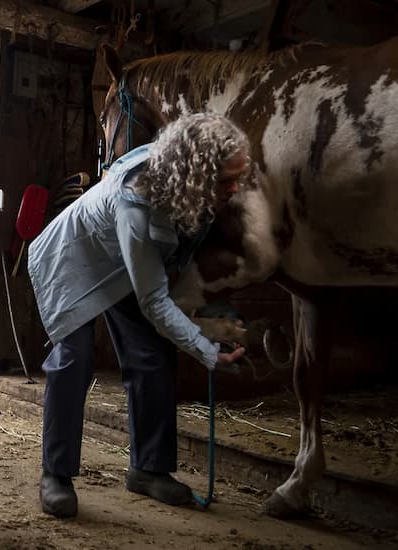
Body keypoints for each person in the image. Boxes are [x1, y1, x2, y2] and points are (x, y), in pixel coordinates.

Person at [27, 113, 250, 518]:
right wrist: (205, 349)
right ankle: (55, 474)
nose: (234, 189)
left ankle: (148, 470)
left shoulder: (184, 178)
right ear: (196, 174)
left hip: (126, 261)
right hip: (74, 260)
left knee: (151, 355)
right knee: (74, 359)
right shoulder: (138, 199)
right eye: (225, 180)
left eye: (239, 176)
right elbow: (154, 302)